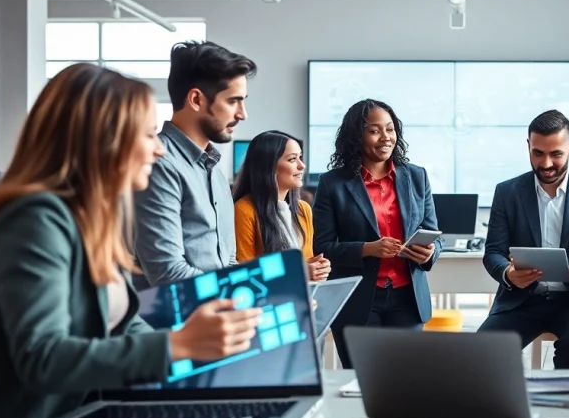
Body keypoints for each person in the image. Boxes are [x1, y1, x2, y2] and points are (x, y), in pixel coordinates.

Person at [0, 64, 262, 418]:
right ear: (102, 141)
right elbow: (43, 358)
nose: (160, 148)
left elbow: (125, 328)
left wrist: (208, 359)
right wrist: (178, 346)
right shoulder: (34, 219)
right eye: (147, 135)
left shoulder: (91, 221)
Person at [312, 99, 441, 369]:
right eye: (374, 130)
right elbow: (323, 246)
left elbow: (433, 236)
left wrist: (429, 252)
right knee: (360, 382)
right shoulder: (332, 183)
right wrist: (367, 249)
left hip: (408, 299)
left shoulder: (416, 177)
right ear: (355, 136)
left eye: (390, 129)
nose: (386, 138)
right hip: (358, 300)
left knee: (405, 383)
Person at [477, 110, 569, 369]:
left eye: (556, 154)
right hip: (522, 300)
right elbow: (493, 252)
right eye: (538, 153)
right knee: (481, 352)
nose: (546, 164)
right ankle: (504, 407)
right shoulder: (507, 192)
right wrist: (508, 274)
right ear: (528, 145)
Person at [134, 40, 256, 288]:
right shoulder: (159, 163)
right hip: (179, 322)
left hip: (220, 317)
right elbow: (168, 272)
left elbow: (226, 262)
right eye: (233, 101)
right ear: (196, 99)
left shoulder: (214, 170)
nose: (243, 113)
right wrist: (244, 297)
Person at [233, 130, 330, 281]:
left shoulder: (303, 209)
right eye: (292, 160)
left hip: (303, 298)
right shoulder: (244, 210)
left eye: (300, 157)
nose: (302, 165)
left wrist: (317, 268)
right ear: (269, 167)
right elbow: (245, 274)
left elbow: (305, 260)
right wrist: (302, 271)